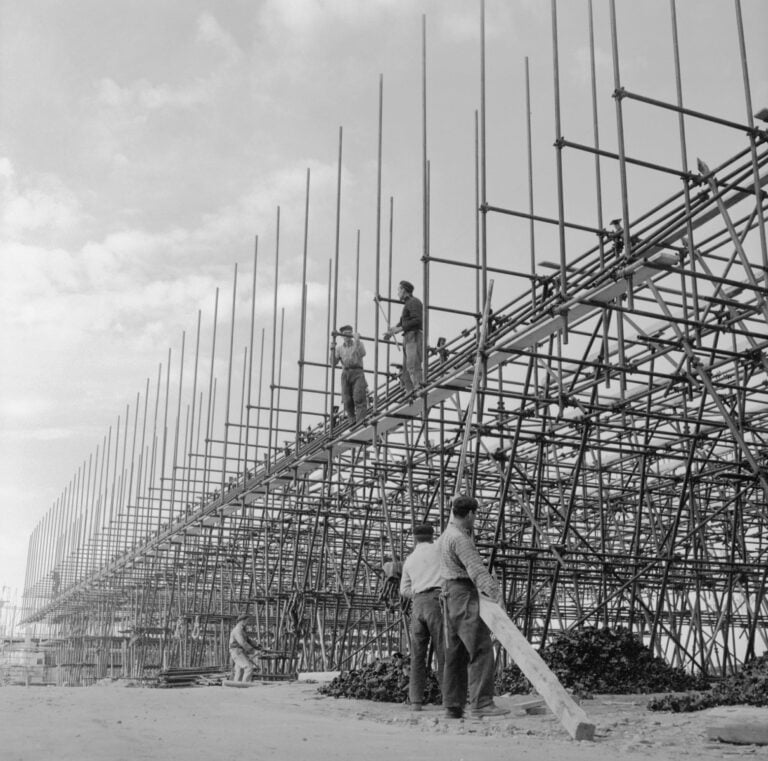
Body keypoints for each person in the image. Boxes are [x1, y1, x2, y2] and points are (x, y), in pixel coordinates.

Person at [438, 495, 510, 719]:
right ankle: (482, 703)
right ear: (469, 514)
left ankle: (453, 705)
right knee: (480, 647)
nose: (475, 519)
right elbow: (476, 569)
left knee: (455, 652)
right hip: (463, 594)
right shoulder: (460, 538)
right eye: (475, 515)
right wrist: (496, 594)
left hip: (449, 595)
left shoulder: (444, 536)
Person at [400, 523, 444, 711]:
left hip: (417, 605)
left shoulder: (409, 560)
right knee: (444, 652)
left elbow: (403, 590)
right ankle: (449, 700)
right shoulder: (440, 551)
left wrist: (418, 594)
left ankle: (416, 701)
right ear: (432, 536)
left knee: (417, 655)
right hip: (437, 601)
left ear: (415, 538)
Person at [383, 280, 423, 393]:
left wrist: (399, 329)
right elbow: (402, 323)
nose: (397, 293)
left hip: (413, 336)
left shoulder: (413, 302)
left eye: (398, 290)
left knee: (413, 365)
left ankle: (419, 388)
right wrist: (392, 331)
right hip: (408, 337)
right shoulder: (408, 304)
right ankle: (410, 393)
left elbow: (417, 320)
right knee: (406, 370)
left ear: (404, 290)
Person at [331, 325, 368, 423]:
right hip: (346, 373)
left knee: (358, 397)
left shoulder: (358, 343)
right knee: (346, 399)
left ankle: (361, 420)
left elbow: (362, 353)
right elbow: (333, 363)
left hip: (357, 372)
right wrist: (332, 349)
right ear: (342, 336)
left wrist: (357, 341)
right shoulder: (339, 348)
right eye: (345, 334)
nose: (347, 336)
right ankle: (352, 420)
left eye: (349, 333)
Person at [229, 612, 261, 682]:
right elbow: (242, 642)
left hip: (239, 652)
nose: (247, 622)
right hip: (237, 651)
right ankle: (244, 686)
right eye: (247, 621)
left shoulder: (242, 630)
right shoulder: (237, 630)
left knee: (240, 670)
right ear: (242, 621)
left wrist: (257, 646)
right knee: (248, 667)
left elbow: (248, 641)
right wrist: (253, 651)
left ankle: (237, 687)